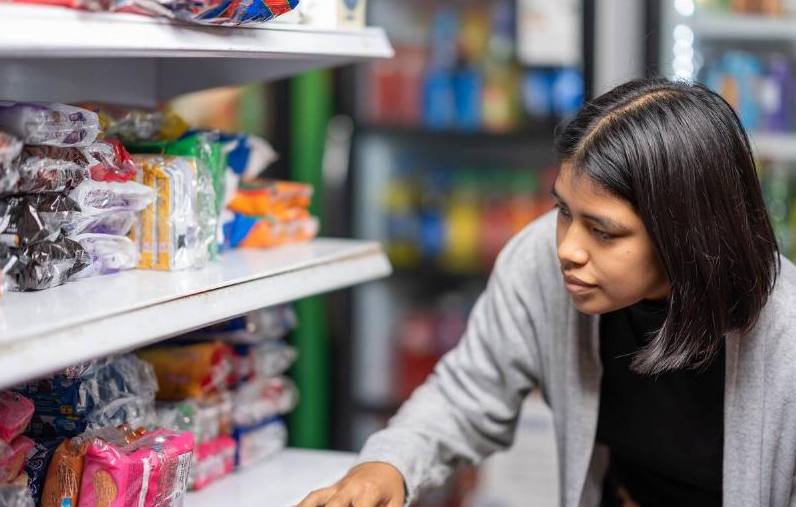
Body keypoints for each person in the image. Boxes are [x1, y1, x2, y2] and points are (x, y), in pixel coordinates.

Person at [297, 78, 796, 507]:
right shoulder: (540, 258)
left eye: (603, 231)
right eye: (563, 211)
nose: (567, 249)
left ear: (687, 235)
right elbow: (467, 394)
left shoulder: (786, 335)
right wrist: (387, 467)